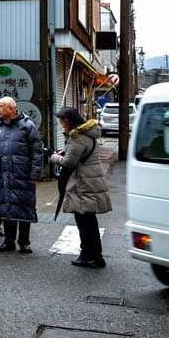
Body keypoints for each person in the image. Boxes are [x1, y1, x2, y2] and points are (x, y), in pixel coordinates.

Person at [49, 107, 110, 268]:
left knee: (84, 220)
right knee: (90, 220)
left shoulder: (77, 138)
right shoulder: (88, 135)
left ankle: (88, 255)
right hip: (91, 180)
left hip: (83, 183)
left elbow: (69, 162)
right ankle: (96, 255)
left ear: (68, 120)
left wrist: (53, 157)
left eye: (62, 121)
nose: (61, 125)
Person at [0, 96, 43, 253]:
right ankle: (8, 241)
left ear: (10, 108)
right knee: (6, 206)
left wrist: (35, 173)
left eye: (0, 106)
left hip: (22, 172)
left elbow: (37, 152)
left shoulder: (27, 125)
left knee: (24, 206)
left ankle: (24, 241)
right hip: (2, 172)